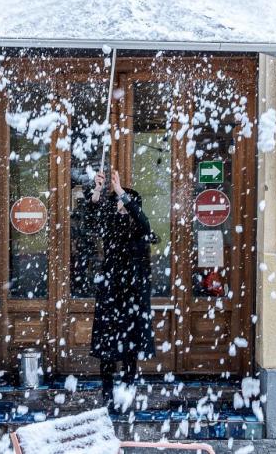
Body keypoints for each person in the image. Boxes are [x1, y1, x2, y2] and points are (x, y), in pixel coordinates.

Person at [86, 170, 156, 407]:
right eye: (118, 200)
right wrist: (97, 189)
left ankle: (127, 391)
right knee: (107, 346)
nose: (120, 204)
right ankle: (107, 394)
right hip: (111, 291)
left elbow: (143, 221)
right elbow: (90, 216)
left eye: (125, 200)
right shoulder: (110, 223)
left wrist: (119, 191)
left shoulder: (139, 226)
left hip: (133, 293)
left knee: (130, 347)